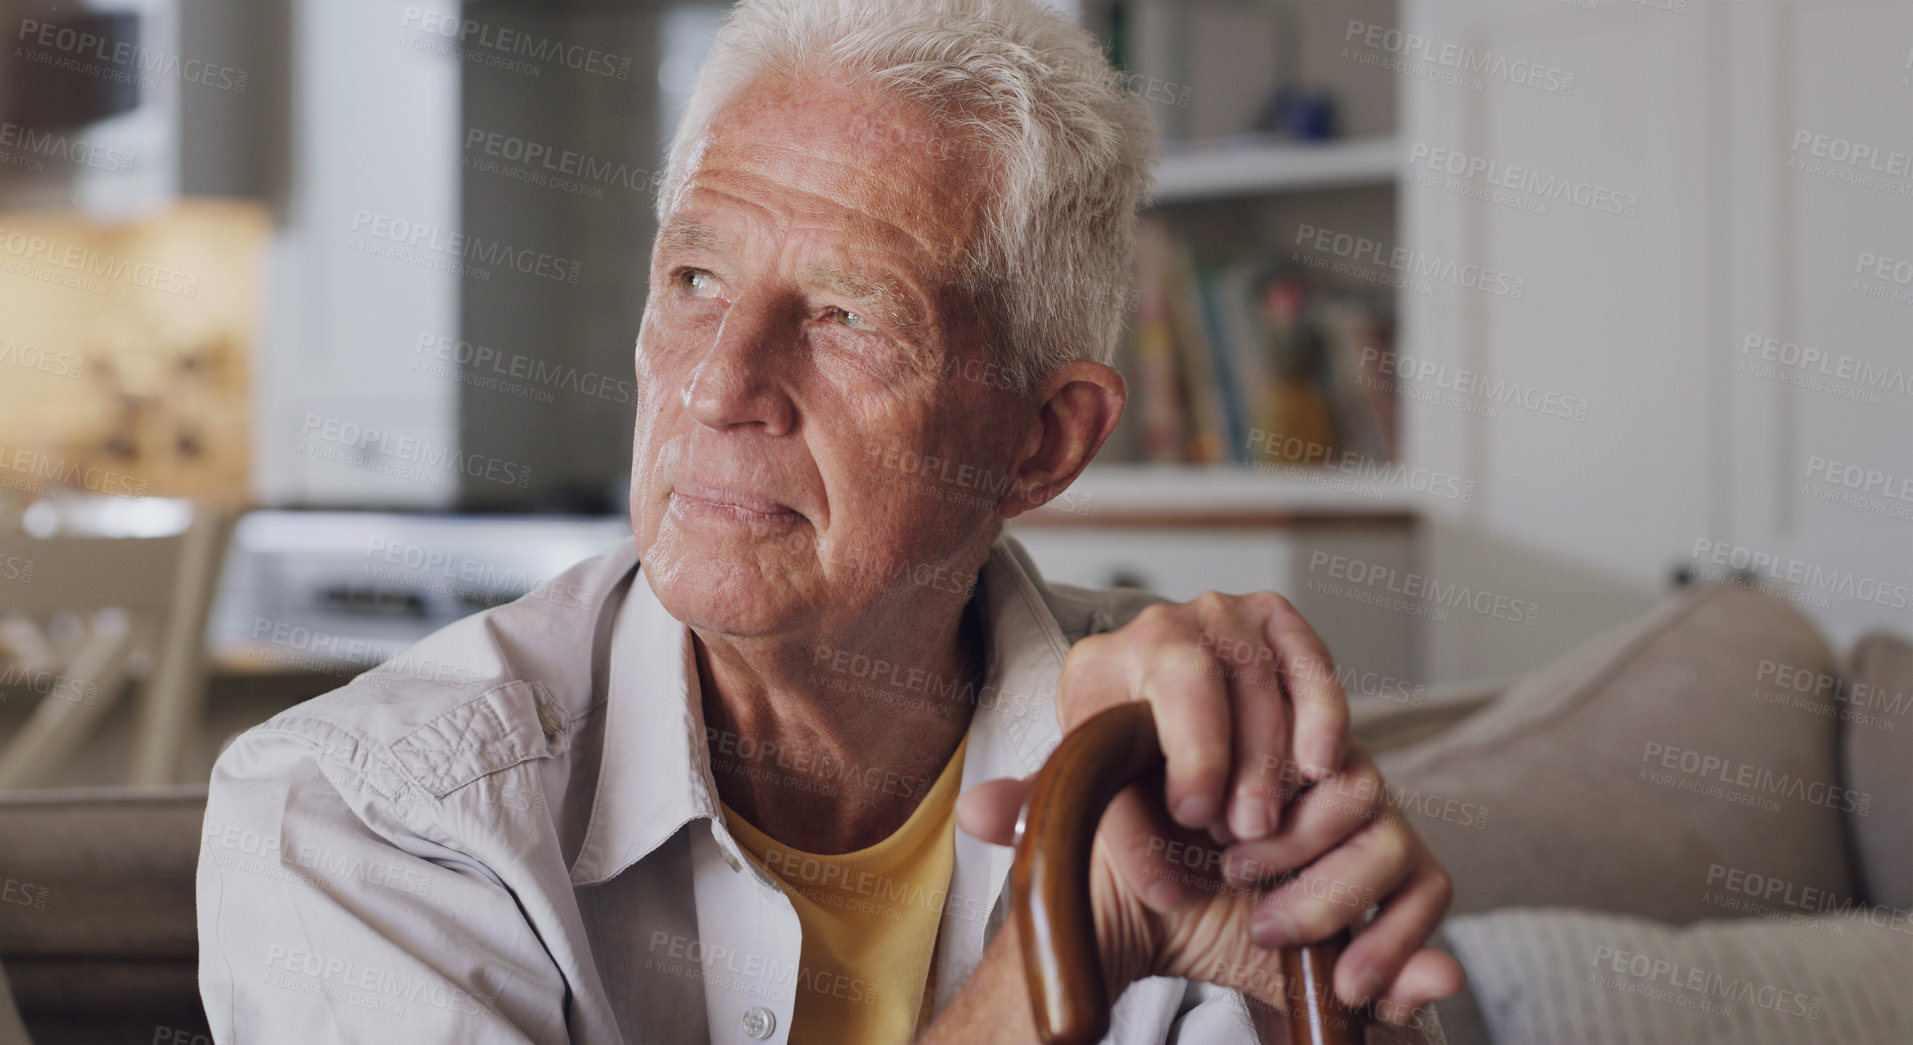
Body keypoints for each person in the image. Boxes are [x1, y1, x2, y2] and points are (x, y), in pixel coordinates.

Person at [197, 0, 1462, 1040]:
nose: (717, 382)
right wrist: (1048, 964)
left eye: (848, 314)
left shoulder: (1181, 777)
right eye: (693, 280)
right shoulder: (357, 814)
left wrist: (1329, 993)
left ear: (1042, 440)